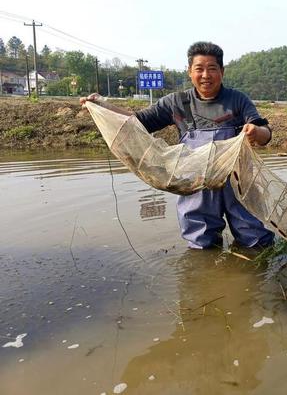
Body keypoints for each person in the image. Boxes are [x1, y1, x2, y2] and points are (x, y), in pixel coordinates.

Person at [80, 41, 274, 250]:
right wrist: (103, 106)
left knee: (254, 240)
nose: (206, 75)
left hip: (238, 183)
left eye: (212, 69)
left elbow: (265, 133)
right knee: (201, 244)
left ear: (222, 72)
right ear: (190, 72)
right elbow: (136, 122)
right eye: (199, 69)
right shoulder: (176, 103)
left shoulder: (237, 100)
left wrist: (256, 132)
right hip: (195, 183)